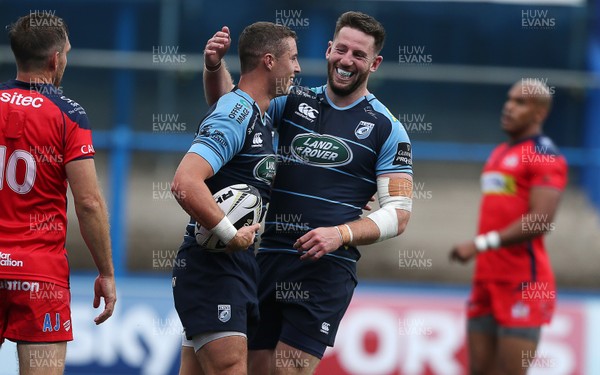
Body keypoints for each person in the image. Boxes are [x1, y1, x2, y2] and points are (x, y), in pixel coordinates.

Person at [203, 11, 413, 374]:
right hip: (267, 256)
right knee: (252, 368)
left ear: (375, 63)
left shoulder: (388, 129)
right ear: (329, 49)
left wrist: (340, 234)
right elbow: (233, 107)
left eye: (359, 55)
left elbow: (399, 213)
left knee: (290, 368)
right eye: (342, 50)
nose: (347, 61)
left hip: (326, 267)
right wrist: (213, 67)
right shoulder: (291, 101)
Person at [171, 22, 300, 375]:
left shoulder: (252, 113)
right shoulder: (237, 111)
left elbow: (228, 102)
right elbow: (184, 181)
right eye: (294, 57)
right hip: (214, 266)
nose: (298, 68)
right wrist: (231, 234)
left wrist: (214, 67)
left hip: (230, 266)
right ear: (270, 61)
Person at [0, 13, 116, 375]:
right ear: (55, 60)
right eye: (66, 51)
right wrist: (106, 273)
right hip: (39, 274)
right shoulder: (69, 115)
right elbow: (88, 202)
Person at [450, 79, 567, 375]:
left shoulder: (545, 155)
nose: (509, 106)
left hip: (524, 284)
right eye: (509, 99)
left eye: (520, 102)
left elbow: (541, 220)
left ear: (539, 113)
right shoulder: (499, 152)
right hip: (487, 277)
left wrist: (480, 244)